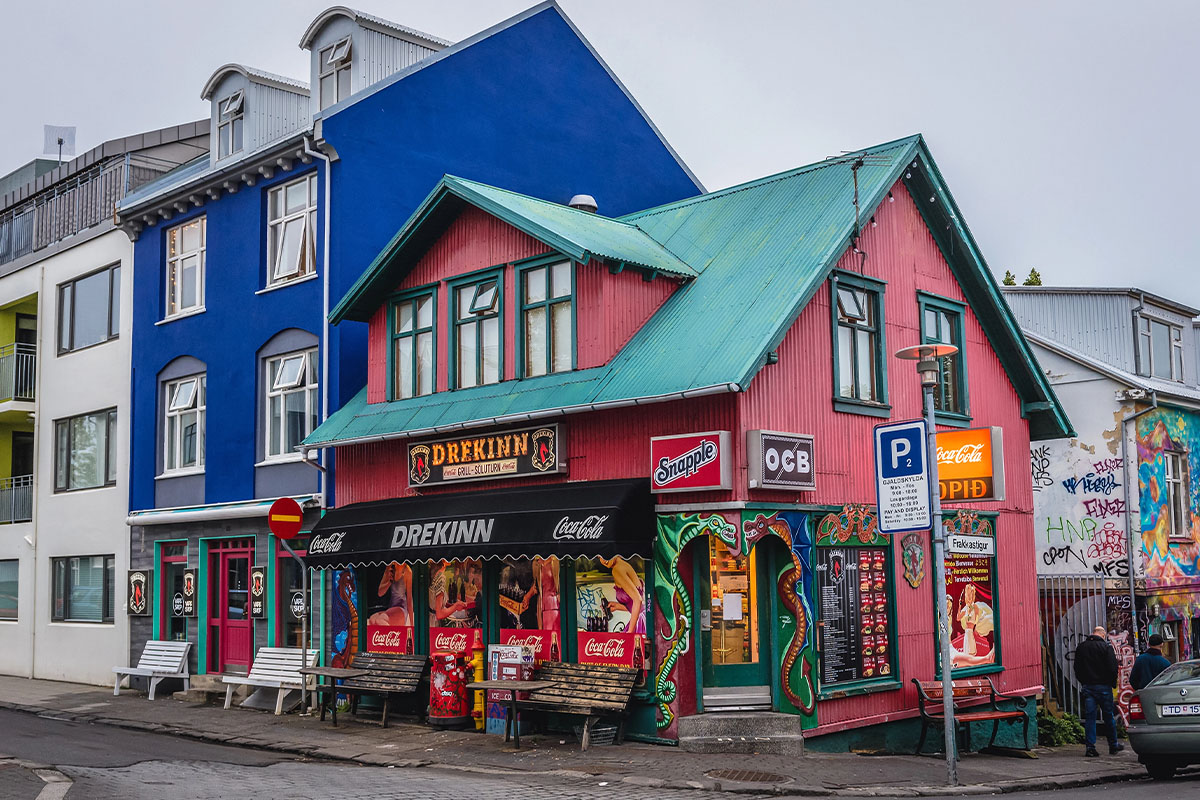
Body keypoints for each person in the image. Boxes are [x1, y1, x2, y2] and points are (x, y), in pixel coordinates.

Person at [1073, 626, 1124, 757]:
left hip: (1088, 687)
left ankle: (1090, 747)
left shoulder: (1082, 647)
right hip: (1104, 687)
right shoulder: (1106, 647)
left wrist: (1083, 682)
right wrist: (1112, 683)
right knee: (1108, 716)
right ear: (1102, 635)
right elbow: (1113, 668)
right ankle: (1113, 745)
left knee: (1090, 718)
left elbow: (1077, 668)